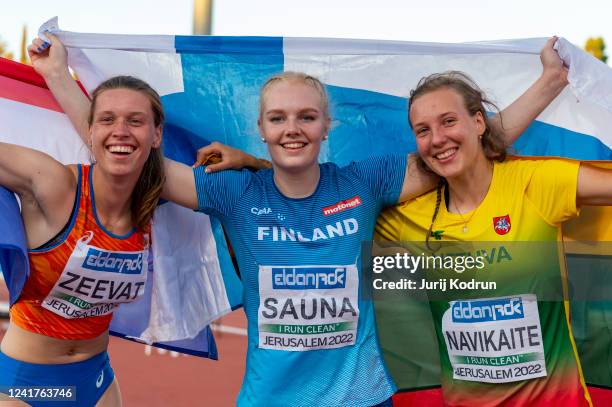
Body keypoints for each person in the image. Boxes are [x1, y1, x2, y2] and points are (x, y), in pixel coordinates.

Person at [29, 34, 567, 406]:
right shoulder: (236, 193)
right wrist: (57, 76)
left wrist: (549, 82)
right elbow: (125, 148)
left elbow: (467, 145)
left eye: (306, 116)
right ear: (260, 129)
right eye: (279, 118)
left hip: (362, 396)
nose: (293, 128)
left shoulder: (362, 182)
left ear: (325, 126)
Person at [374, 61, 610, 405]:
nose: (437, 138)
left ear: (479, 122)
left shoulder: (534, 183)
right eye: (422, 130)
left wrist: (552, 78)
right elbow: (327, 214)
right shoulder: (407, 217)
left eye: (448, 121)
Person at [0, 74, 164, 406]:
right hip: (27, 385)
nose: (121, 130)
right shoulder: (55, 185)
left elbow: (241, 186)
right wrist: (56, 73)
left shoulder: (154, 195)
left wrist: (248, 160)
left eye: (136, 121)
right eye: (107, 120)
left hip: (96, 381)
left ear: (156, 134)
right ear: (89, 131)